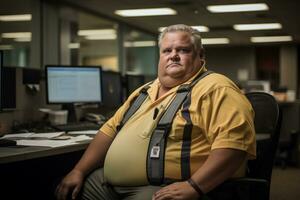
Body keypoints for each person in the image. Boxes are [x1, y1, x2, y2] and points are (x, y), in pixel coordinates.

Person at [55, 24, 256, 200]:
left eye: (183, 50)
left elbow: (234, 147)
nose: (173, 55)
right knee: (63, 189)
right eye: (167, 50)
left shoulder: (216, 89)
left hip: (164, 187)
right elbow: (109, 131)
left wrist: (194, 186)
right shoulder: (144, 91)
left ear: (200, 55)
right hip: (107, 184)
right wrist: (78, 170)